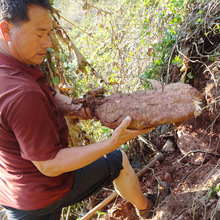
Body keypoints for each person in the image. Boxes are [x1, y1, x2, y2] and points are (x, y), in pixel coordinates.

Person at [0, 1, 155, 219]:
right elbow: (50, 164)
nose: (47, 44)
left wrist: (77, 107)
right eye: (39, 34)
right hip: (43, 190)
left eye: (49, 34)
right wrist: (112, 142)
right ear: (6, 29)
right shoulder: (22, 94)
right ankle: (146, 208)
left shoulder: (14, 58)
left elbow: (49, 94)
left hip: (12, 190)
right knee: (116, 158)